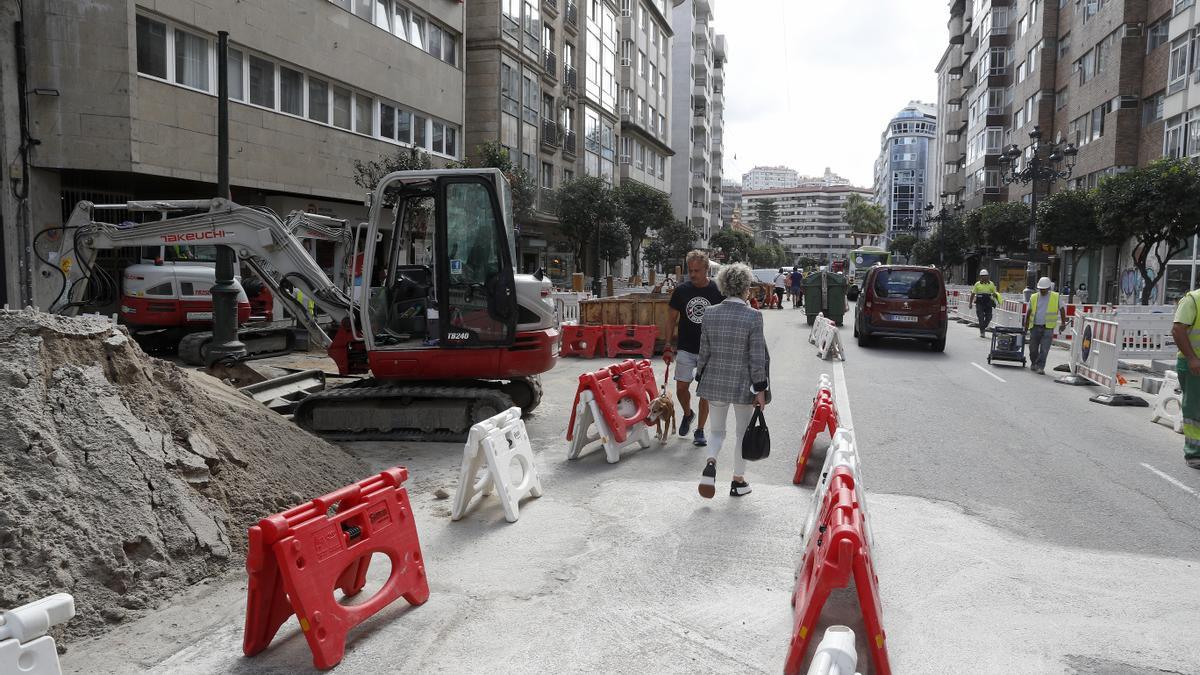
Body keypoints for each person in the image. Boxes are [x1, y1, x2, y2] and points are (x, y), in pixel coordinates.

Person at [694, 263, 770, 498]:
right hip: (743, 385)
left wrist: (700, 374)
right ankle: (738, 481)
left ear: (723, 286)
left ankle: (711, 462)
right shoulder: (753, 316)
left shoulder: (710, 313)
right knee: (741, 434)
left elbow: (704, 350)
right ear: (746, 287)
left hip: (715, 382)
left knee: (716, 432)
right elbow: (757, 356)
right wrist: (760, 388)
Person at [664, 250, 725, 447]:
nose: (693, 274)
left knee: (704, 392)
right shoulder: (681, 291)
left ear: (706, 269)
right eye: (690, 270)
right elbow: (671, 320)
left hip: (709, 350)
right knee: (681, 388)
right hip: (685, 347)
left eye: (697, 270)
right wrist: (667, 345)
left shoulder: (718, 291)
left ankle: (699, 430)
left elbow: (725, 319)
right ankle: (688, 414)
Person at [1170, 289, 1200, 469]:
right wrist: (1192, 359)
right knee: (1195, 409)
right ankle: (1194, 453)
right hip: (1195, 365)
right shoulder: (1193, 300)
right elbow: (1178, 329)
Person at [1023, 276, 1067, 374]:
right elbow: (1029, 312)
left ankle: (1040, 367)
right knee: (1033, 349)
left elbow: (1062, 309)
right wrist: (1026, 327)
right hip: (1034, 326)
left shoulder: (1055, 296)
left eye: (1044, 289)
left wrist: (1063, 323)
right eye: (1040, 289)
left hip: (1048, 327)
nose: (1042, 291)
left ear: (1048, 288)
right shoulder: (1034, 297)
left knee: (1044, 349)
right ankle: (1034, 362)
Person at [968, 269, 1002, 338]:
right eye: (983, 276)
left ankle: (983, 327)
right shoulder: (977, 284)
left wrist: (997, 299)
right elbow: (973, 294)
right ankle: (982, 331)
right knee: (980, 317)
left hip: (988, 302)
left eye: (986, 276)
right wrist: (970, 303)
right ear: (980, 277)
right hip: (979, 302)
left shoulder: (991, 284)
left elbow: (995, 293)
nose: (984, 277)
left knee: (989, 317)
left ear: (988, 276)